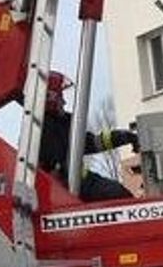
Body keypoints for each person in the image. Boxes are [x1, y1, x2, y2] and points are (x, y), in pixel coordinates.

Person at [37, 71, 140, 202]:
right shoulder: (43, 131)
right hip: (70, 189)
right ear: (49, 98)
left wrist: (124, 137)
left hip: (78, 184)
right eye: (60, 96)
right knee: (117, 195)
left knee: (118, 193)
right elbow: (52, 170)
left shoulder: (61, 125)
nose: (64, 102)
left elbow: (92, 143)